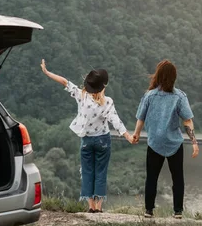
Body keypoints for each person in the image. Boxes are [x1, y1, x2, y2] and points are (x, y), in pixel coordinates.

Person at [41, 59, 134, 213]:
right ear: (104, 86)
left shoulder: (82, 95)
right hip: (103, 140)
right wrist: (129, 137)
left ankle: (90, 206)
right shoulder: (107, 102)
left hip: (86, 141)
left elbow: (64, 82)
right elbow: (116, 122)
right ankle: (99, 207)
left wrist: (46, 72)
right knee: (100, 172)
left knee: (87, 172)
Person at [132, 60, 200, 219]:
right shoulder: (179, 97)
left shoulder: (149, 95)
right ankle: (178, 211)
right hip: (174, 143)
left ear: (158, 76)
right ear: (174, 77)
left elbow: (140, 118)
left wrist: (136, 134)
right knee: (178, 178)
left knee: (151, 178)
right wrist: (194, 142)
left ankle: (149, 210)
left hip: (154, 142)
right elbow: (187, 121)